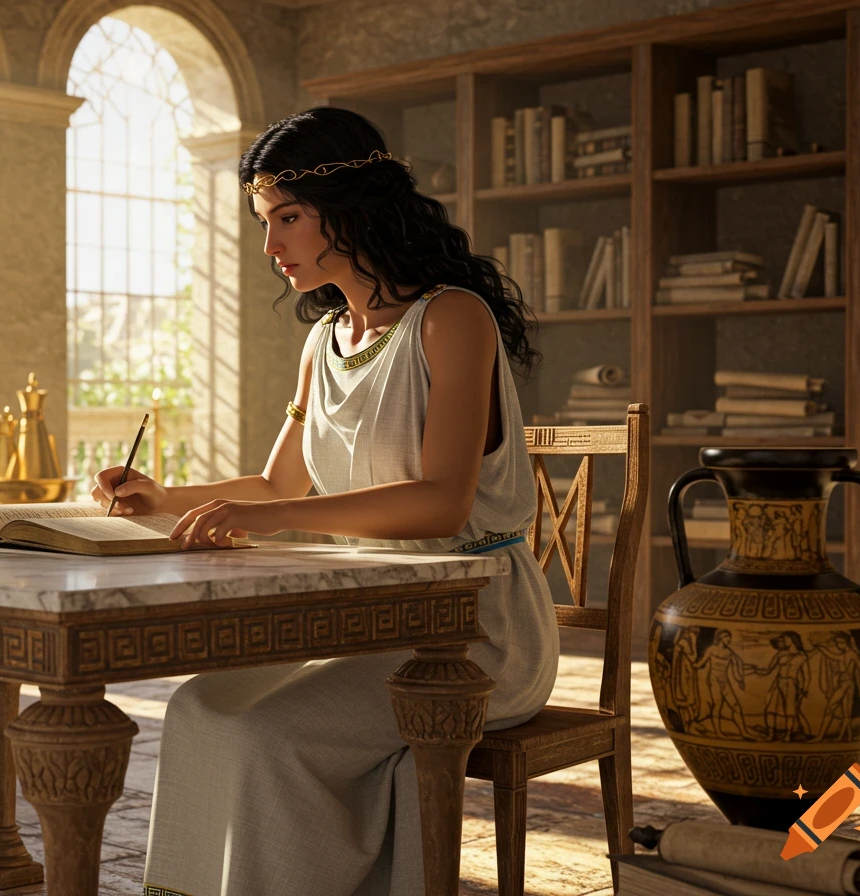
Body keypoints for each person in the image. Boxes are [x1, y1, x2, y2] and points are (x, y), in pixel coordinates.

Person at [90, 106, 560, 896]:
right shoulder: (324, 341)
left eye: (288, 219)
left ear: (350, 205)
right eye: (264, 222)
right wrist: (163, 499)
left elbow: (442, 504)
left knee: (267, 732)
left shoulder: (452, 319)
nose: (271, 247)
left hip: (472, 630)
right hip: (367, 615)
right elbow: (279, 486)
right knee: (200, 709)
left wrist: (264, 519)